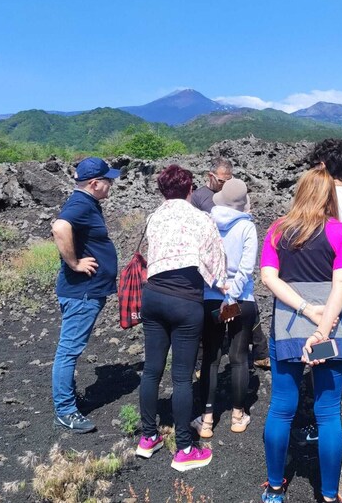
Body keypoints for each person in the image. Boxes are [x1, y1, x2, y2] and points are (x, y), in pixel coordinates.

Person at [260, 168, 342, 503]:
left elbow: (269, 278)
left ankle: (274, 489)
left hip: (287, 326)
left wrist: (303, 308)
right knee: (328, 413)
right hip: (333, 326)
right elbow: (341, 286)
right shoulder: (339, 232)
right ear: (329, 196)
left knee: (281, 408)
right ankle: (329, 496)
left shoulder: (276, 230)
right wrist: (322, 329)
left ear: (299, 193)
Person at [137, 164, 226, 471]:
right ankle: (185, 449)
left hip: (152, 296)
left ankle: (148, 438)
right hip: (185, 302)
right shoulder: (202, 218)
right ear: (190, 189)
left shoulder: (154, 217)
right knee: (181, 376)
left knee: (151, 370)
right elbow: (217, 266)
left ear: (162, 190)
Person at [293, 138, 342, 445]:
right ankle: (321, 422)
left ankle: (317, 425)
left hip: (322, 293)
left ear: (322, 167)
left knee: (316, 357)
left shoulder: (327, 200)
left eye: (314, 166)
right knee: (327, 359)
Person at [52, 157, 121, 433]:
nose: (111, 185)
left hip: (84, 291)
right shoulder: (80, 204)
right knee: (68, 350)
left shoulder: (87, 203)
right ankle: (65, 410)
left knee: (70, 349)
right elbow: (59, 227)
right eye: (108, 180)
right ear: (94, 183)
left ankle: (65, 402)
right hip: (82, 292)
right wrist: (75, 263)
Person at [191, 178, 258, 438]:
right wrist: (233, 291)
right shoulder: (247, 227)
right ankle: (238, 416)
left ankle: (206, 420)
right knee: (240, 358)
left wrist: (219, 287)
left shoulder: (207, 222)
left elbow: (202, 260)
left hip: (210, 298)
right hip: (242, 299)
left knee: (210, 358)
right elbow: (247, 265)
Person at [191, 156, 270, 370]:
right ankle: (200, 363)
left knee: (247, 309)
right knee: (208, 317)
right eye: (222, 181)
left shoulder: (233, 193)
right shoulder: (198, 197)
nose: (226, 184)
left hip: (234, 267)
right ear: (210, 176)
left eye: (229, 180)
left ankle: (260, 352)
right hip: (213, 271)